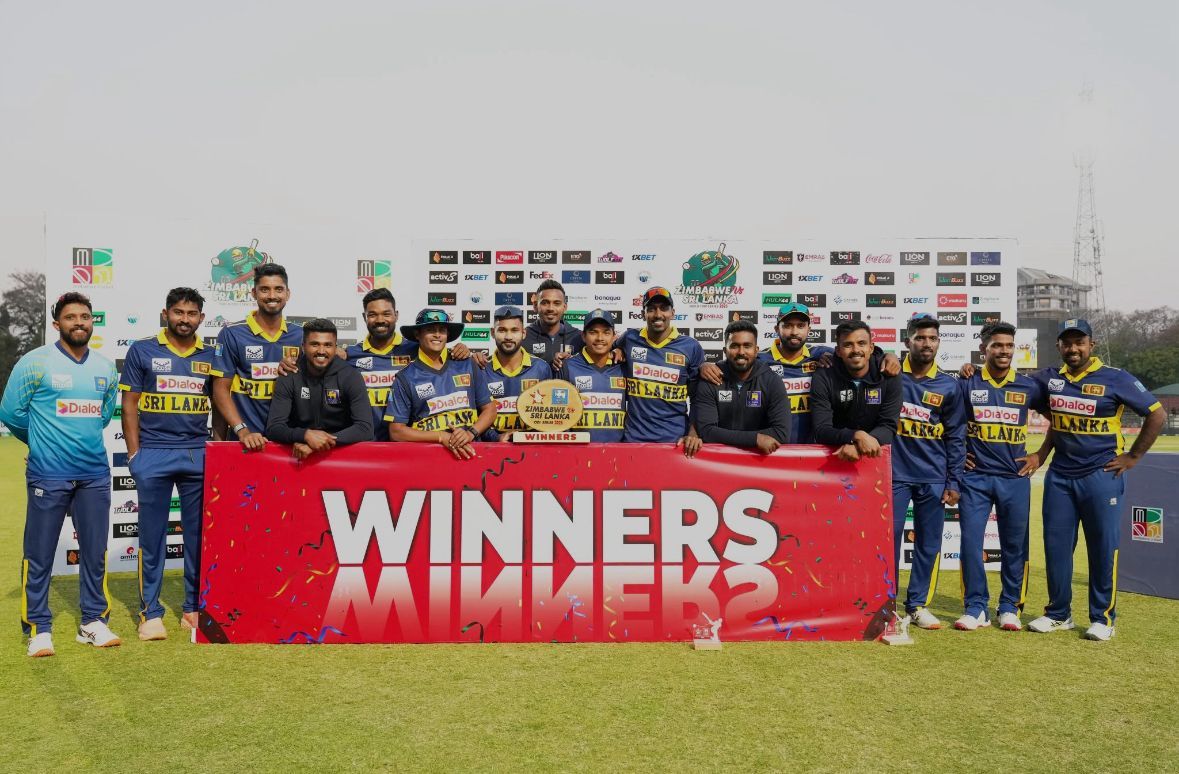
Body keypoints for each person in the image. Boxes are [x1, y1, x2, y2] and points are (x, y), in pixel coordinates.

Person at [1026, 319, 1165, 640]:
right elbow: (1012, 389)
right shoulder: (1049, 379)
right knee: (1057, 548)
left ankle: (1102, 618)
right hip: (1060, 477)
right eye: (1067, 343)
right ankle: (1059, 614)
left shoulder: (1116, 378)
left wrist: (1133, 456)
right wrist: (968, 370)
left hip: (1101, 476)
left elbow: (1156, 414)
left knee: (1103, 548)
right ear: (1059, 346)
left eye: (1080, 343)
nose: (1073, 349)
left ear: (1092, 345)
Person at [0, 292, 121, 656]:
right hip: (48, 475)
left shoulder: (105, 367)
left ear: (92, 322)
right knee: (39, 553)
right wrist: (39, 443)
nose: (79, 322)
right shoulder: (35, 363)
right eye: (71, 317)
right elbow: (11, 413)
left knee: (95, 551)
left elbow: (102, 415)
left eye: (85, 317)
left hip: (94, 475)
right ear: (57, 323)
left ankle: (93, 621)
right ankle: (39, 627)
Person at [119, 287, 217, 640]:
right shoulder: (142, 349)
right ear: (166, 314)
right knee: (153, 538)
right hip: (154, 454)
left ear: (201, 318)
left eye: (192, 314)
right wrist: (134, 455)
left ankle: (192, 608)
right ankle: (151, 612)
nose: (185, 319)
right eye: (178, 312)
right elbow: (129, 404)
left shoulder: (211, 354)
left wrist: (217, 448)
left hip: (197, 453)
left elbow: (219, 404)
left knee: (196, 537)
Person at [956, 321, 1049, 632]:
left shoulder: (1028, 386)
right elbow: (947, 424)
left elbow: (1062, 418)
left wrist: (1040, 455)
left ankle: (1009, 606)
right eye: (997, 345)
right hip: (975, 478)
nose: (1004, 351)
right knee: (970, 543)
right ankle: (975, 606)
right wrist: (957, 456)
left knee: (1014, 546)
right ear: (984, 349)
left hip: (1014, 478)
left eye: (1009, 346)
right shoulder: (967, 382)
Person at [891, 313, 967, 630]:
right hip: (893, 475)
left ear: (938, 342)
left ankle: (918, 605)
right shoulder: (890, 375)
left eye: (932, 338)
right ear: (908, 340)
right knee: (886, 541)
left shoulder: (949, 385)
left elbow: (956, 436)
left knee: (928, 544)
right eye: (920, 337)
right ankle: (885, 602)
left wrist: (953, 481)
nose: (926, 343)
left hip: (934, 477)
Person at [343, 288, 480, 440]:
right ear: (364, 317)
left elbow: (439, 347)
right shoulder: (350, 355)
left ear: (396, 315)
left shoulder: (415, 348)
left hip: (406, 447)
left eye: (386, 314)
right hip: (367, 444)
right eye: (373, 314)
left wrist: (465, 351)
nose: (380, 320)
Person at [758, 303, 902, 443]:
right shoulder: (760, 361)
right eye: (787, 325)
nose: (794, 332)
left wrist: (888, 356)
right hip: (772, 451)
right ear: (777, 329)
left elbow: (856, 354)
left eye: (801, 326)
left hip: (813, 452)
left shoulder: (820, 354)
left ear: (809, 329)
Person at [210, 263, 302, 451]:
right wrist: (242, 430)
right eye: (264, 290)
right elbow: (220, 390)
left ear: (288, 294)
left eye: (278, 289)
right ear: (253, 293)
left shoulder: (301, 335)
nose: (272, 296)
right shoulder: (232, 334)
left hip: (290, 444)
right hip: (246, 442)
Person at [386, 309, 496, 459]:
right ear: (418, 334)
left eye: (442, 330)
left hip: (471, 455)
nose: (437, 335)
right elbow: (396, 432)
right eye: (430, 330)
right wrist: (441, 436)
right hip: (428, 460)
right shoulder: (405, 377)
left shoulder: (467, 364)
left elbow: (490, 410)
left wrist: (470, 433)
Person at [266, 318, 373, 459]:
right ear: (303, 346)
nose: (321, 351)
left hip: (342, 456)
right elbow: (274, 428)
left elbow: (365, 428)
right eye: (315, 344)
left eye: (328, 345)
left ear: (336, 347)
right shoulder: (289, 375)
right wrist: (305, 435)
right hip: (298, 455)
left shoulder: (351, 376)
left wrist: (321, 442)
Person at [617, 287, 704, 449]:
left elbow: (698, 398)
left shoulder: (691, 347)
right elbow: (601, 351)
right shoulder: (629, 338)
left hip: (675, 441)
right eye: (651, 309)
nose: (658, 315)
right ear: (643, 314)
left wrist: (693, 432)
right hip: (634, 440)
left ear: (673, 312)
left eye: (664, 308)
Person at [692, 320, 791, 454]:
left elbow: (781, 433)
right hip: (718, 463)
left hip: (760, 464)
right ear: (725, 350)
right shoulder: (711, 379)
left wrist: (731, 437)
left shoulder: (772, 381)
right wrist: (754, 439)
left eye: (747, 346)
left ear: (756, 351)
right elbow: (706, 431)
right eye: (734, 346)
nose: (741, 352)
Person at [809, 320, 902, 462]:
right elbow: (821, 429)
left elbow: (888, 426)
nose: (856, 350)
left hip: (875, 455)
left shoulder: (888, 374)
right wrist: (856, 436)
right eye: (848, 345)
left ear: (871, 348)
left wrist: (860, 445)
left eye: (861, 343)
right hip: (834, 456)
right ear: (838, 351)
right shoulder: (824, 375)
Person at [483, 305, 554, 441]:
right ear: (492, 333)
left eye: (514, 330)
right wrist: (496, 437)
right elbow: (476, 417)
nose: (508, 336)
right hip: (492, 448)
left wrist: (530, 437)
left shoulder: (541, 368)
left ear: (524, 333)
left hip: (532, 448)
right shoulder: (482, 369)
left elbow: (549, 416)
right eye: (502, 330)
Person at [554, 309, 627, 441]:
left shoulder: (623, 367)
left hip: (618, 453)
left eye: (606, 332)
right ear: (583, 336)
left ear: (614, 336)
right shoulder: (566, 367)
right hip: (577, 454)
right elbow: (559, 419)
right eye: (593, 332)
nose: (600, 338)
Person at [522, 279, 583, 367]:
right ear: (535, 306)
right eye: (545, 303)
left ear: (564, 308)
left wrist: (573, 362)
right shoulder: (523, 337)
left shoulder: (579, 337)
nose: (550, 308)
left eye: (556, 303)